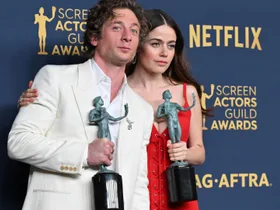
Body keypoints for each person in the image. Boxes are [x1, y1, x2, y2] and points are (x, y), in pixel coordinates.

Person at [18, 9, 211, 210]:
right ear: (140, 47)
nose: (164, 53)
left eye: (171, 46)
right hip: (121, 194)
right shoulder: (117, 92)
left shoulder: (182, 94)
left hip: (174, 193)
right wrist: (33, 101)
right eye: (156, 44)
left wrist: (185, 153)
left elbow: (198, 150)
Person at [8, 1, 154, 210]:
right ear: (94, 37)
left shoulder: (142, 109)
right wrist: (84, 154)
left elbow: (139, 185)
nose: (127, 36)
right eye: (116, 27)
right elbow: (19, 143)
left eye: (134, 30)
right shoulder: (55, 78)